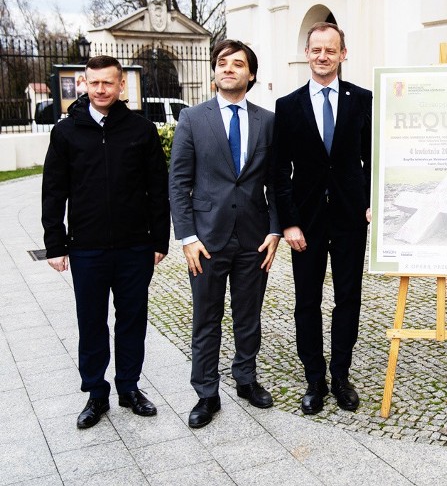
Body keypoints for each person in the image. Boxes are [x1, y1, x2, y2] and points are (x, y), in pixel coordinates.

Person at [42, 55, 170, 429]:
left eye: (108, 83)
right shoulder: (66, 132)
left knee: (132, 320)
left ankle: (129, 388)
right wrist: (55, 245)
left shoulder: (141, 130)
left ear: (121, 86)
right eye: (94, 83)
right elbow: (54, 191)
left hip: (134, 247)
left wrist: (159, 240)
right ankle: (96, 394)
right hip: (87, 248)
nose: (101, 89)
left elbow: (156, 190)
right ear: (84, 84)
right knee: (92, 322)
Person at [169, 39, 280, 428]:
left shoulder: (268, 120)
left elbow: (277, 182)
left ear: (251, 74)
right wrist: (187, 238)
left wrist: (275, 230)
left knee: (248, 316)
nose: (228, 68)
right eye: (222, 63)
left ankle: (246, 379)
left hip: (254, 239)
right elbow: (178, 182)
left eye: (238, 64)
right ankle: (205, 393)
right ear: (214, 72)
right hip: (206, 240)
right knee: (206, 318)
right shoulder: (192, 119)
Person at [274, 22, 372, 414]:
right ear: (307, 53)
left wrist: (371, 202)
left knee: (348, 298)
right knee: (306, 301)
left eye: (331, 50)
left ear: (343, 54)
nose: (323, 56)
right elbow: (279, 170)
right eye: (316, 50)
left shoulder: (362, 99)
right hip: (306, 221)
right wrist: (289, 222)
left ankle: (341, 375)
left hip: (351, 217)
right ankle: (314, 377)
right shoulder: (288, 105)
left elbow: (374, 158)